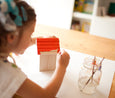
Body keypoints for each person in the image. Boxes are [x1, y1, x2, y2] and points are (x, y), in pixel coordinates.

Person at [0, 0, 70, 98]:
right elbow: (46, 96)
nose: (31, 38)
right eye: (30, 34)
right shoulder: (9, 72)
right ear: (11, 37)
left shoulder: (4, 43)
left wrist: (40, 39)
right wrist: (62, 67)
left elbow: (21, 42)